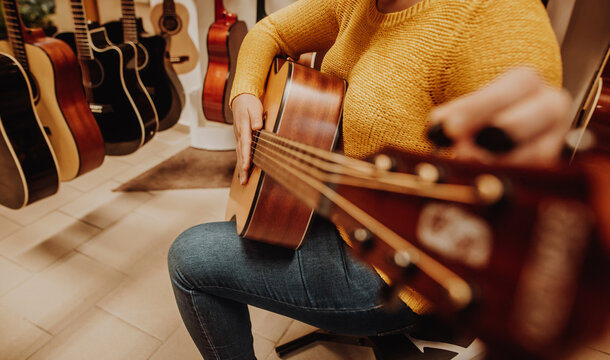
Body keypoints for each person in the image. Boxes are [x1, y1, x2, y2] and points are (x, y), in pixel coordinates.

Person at [168, 0, 571, 358]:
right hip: (328, 203)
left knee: (189, 259)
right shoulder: (356, 3)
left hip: (388, 267)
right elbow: (268, 31)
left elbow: (516, 203)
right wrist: (244, 94)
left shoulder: (495, 18)